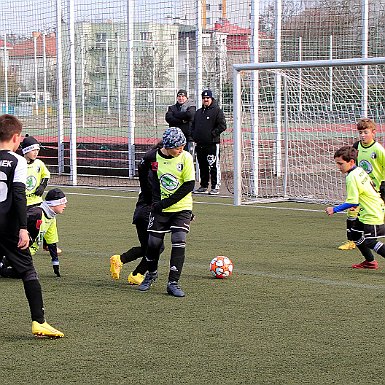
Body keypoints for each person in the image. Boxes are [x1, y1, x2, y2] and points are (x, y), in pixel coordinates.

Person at [0, 114, 64, 338]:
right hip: (7, 226)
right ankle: (39, 321)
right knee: (27, 270)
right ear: (16, 137)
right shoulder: (17, 161)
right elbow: (18, 195)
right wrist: (22, 228)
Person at [137, 127, 195, 297]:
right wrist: (149, 199)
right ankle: (152, 274)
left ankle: (173, 283)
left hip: (181, 208)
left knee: (179, 239)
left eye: (183, 146)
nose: (181, 150)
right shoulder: (152, 157)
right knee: (153, 244)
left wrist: (166, 203)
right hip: (159, 208)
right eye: (178, 147)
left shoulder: (186, 158)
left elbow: (189, 185)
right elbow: (142, 170)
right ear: (168, 147)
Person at [109, 142, 165, 286]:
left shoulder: (149, 168)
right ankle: (135, 272)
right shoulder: (157, 170)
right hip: (148, 212)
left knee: (149, 248)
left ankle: (123, 262)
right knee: (156, 248)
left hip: (141, 212)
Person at [326, 145, 385, 269]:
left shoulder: (351, 177)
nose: (338, 167)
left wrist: (334, 209)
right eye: (336, 163)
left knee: (370, 241)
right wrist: (357, 203)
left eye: (340, 164)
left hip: (372, 211)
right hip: (367, 209)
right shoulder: (358, 170)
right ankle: (370, 262)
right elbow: (364, 191)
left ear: (351, 161)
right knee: (355, 235)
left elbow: (352, 201)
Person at [338, 118, 385, 251]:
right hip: (360, 186)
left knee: (377, 216)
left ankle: (371, 242)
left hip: (375, 189)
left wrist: (383, 185)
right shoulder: (356, 146)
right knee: (352, 212)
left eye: (365, 132)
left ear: (373, 132)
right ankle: (351, 241)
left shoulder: (378, 149)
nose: (363, 135)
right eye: (360, 132)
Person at [0, 188, 67, 278]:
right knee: (28, 273)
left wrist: (55, 264)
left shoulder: (51, 219)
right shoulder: (36, 213)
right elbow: (15, 225)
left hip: (26, 253)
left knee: (23, 273)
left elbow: (52, 242)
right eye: (62, 202)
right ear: (54, 204)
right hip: (17, 249)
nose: (65, 205)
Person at [21, 134, 62, 255]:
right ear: (26, 151)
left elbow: (46, 175)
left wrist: (42, 186)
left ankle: (48, 245)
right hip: (23, 203)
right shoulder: (19, 164)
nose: (36, 152)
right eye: (33, 150)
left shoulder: (39, 164)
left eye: (37, 150)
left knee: (48, 221)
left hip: (37, 202)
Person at [191, 89, 227, 195]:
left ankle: (215, 186)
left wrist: (212, 134)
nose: (205, 100)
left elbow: (222, 126)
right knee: (202, 165)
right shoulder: (198, 112)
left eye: (207, 98)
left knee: (213, 165)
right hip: (200, 144)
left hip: (212, 144)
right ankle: (203, 186)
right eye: (204, 98)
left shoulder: (217, 111)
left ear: (211, 99)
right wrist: (194, 135)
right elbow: (193, 126)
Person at [165, 89, 196, 155]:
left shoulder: (191, 107)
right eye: (179, 96)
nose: (181, 98)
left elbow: (189, 115)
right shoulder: (172, 108)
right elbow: (168, 118)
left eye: (183, 96)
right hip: (174, 138)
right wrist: (182, 120)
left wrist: (175, 114)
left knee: (188, 158)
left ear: (186, 98)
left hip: (188, 138)